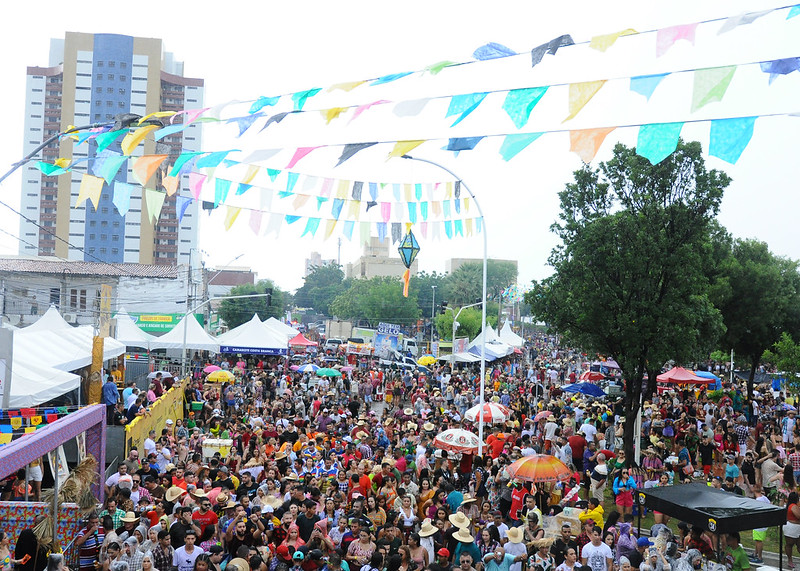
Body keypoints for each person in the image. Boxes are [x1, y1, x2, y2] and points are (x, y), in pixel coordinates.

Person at [751, 486, 770, 564]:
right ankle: (755, 554)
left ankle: (760, 557)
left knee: (759, 541)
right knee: (757, 540)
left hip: (758, 523)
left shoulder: (757, 500)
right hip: (764, 522)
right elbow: (770, 504)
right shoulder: (764, 498)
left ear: (754, 490)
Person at [785, 491, 800, 569]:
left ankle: (790, 560)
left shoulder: (790, 505)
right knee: (790, 544)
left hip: (793, 527)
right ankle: (790, 561)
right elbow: (799, 516)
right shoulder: (793, 506)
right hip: (793, 528)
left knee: (791, 545)